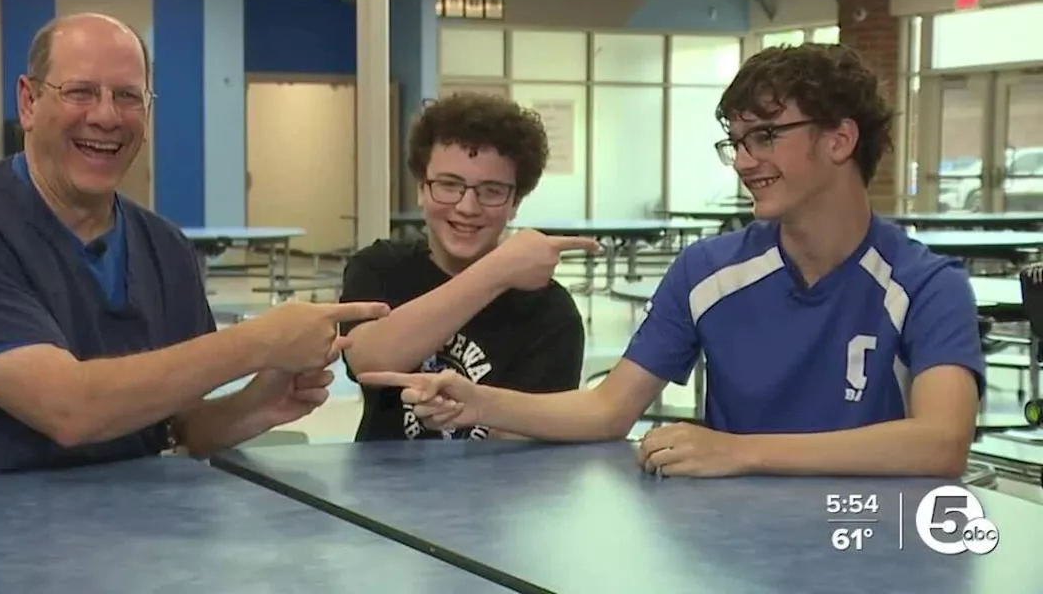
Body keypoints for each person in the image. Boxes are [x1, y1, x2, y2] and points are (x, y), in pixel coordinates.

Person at [359, 43, 985, 478]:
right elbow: (609, 409)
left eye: (765, 136)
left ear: (840, 139)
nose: (744, 161)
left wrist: (742, 453)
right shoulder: (707, 271)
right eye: (736, 142)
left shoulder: (929, 285)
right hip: (735, 541)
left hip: (872, 542)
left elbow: (941, 441)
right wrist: (482, 402)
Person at [0, 13, 388, 492]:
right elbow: (70, 409)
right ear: (29, 102)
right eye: (80, 92)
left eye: (127, 96)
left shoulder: (163, 248)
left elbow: (174, 427)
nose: (105, 116)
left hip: (122, 544)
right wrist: (260, 341)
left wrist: (257, 405)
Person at [339, 92, 600, 441]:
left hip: (496, 491)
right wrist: (497, 270)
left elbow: (529, 445)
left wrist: (465, 411)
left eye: (491, 191)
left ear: (515, 203)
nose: (467, 206)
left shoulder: (550, 311)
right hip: (372, 489)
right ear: (421, 189)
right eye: (449, 185)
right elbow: (368, 361)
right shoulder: (380, 268)